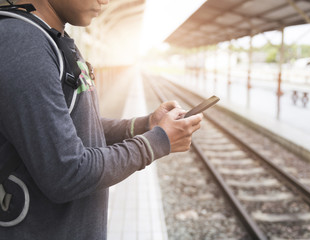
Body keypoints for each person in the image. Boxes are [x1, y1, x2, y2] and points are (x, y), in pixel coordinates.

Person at [0, 0, 203, 239]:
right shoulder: (22, 43)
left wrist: (145, 125)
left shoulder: (50, 38)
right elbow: (67, 174)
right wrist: (158, 141)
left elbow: (74, 127)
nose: (105, 0)